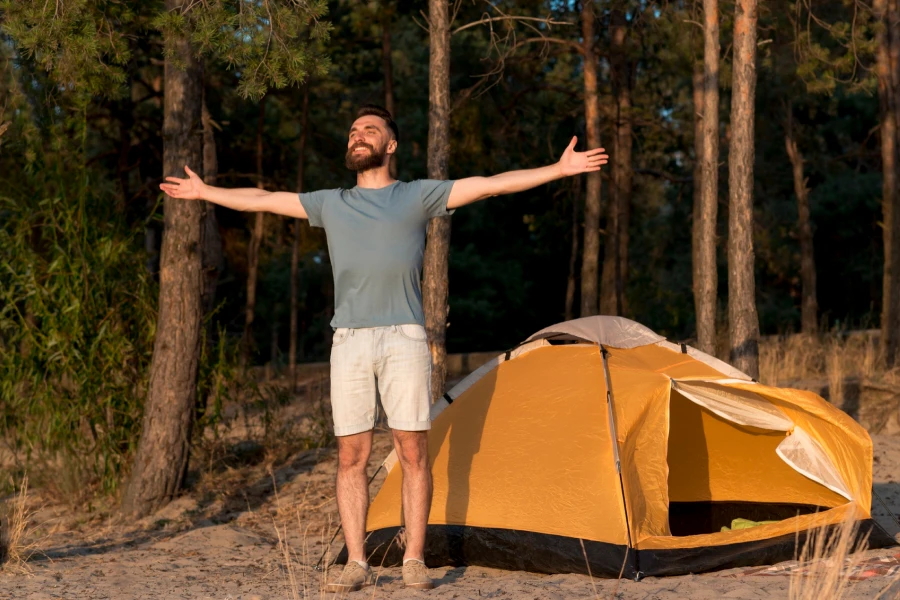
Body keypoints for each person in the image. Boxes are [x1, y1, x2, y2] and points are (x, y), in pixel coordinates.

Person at [160, 104, 608, 591]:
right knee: (351, 455)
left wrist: (559, 169)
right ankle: (357, 561)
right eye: (353, 131)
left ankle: (413, 559)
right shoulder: (331, 203)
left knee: (413, 450)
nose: (357, 136)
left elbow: (491, 183)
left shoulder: (417, 196)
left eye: (369, 130)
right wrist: (205, 191)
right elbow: (262, 199)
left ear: (390, 145)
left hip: (405, 337)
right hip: (349, 340)